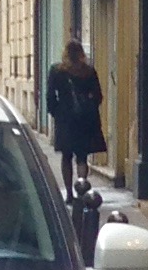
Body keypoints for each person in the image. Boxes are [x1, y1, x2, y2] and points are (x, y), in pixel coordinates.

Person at [44, 36, 107, 198]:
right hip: (84, 120)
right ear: (81, 53)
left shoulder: (57, 71)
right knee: (82, 157)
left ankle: (69, 193)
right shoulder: (88, 71)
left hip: (65, 120)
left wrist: (56, 112)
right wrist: (89, 107)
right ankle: (82, 191)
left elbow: (50, 96)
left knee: (66, 157)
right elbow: (98, 96)